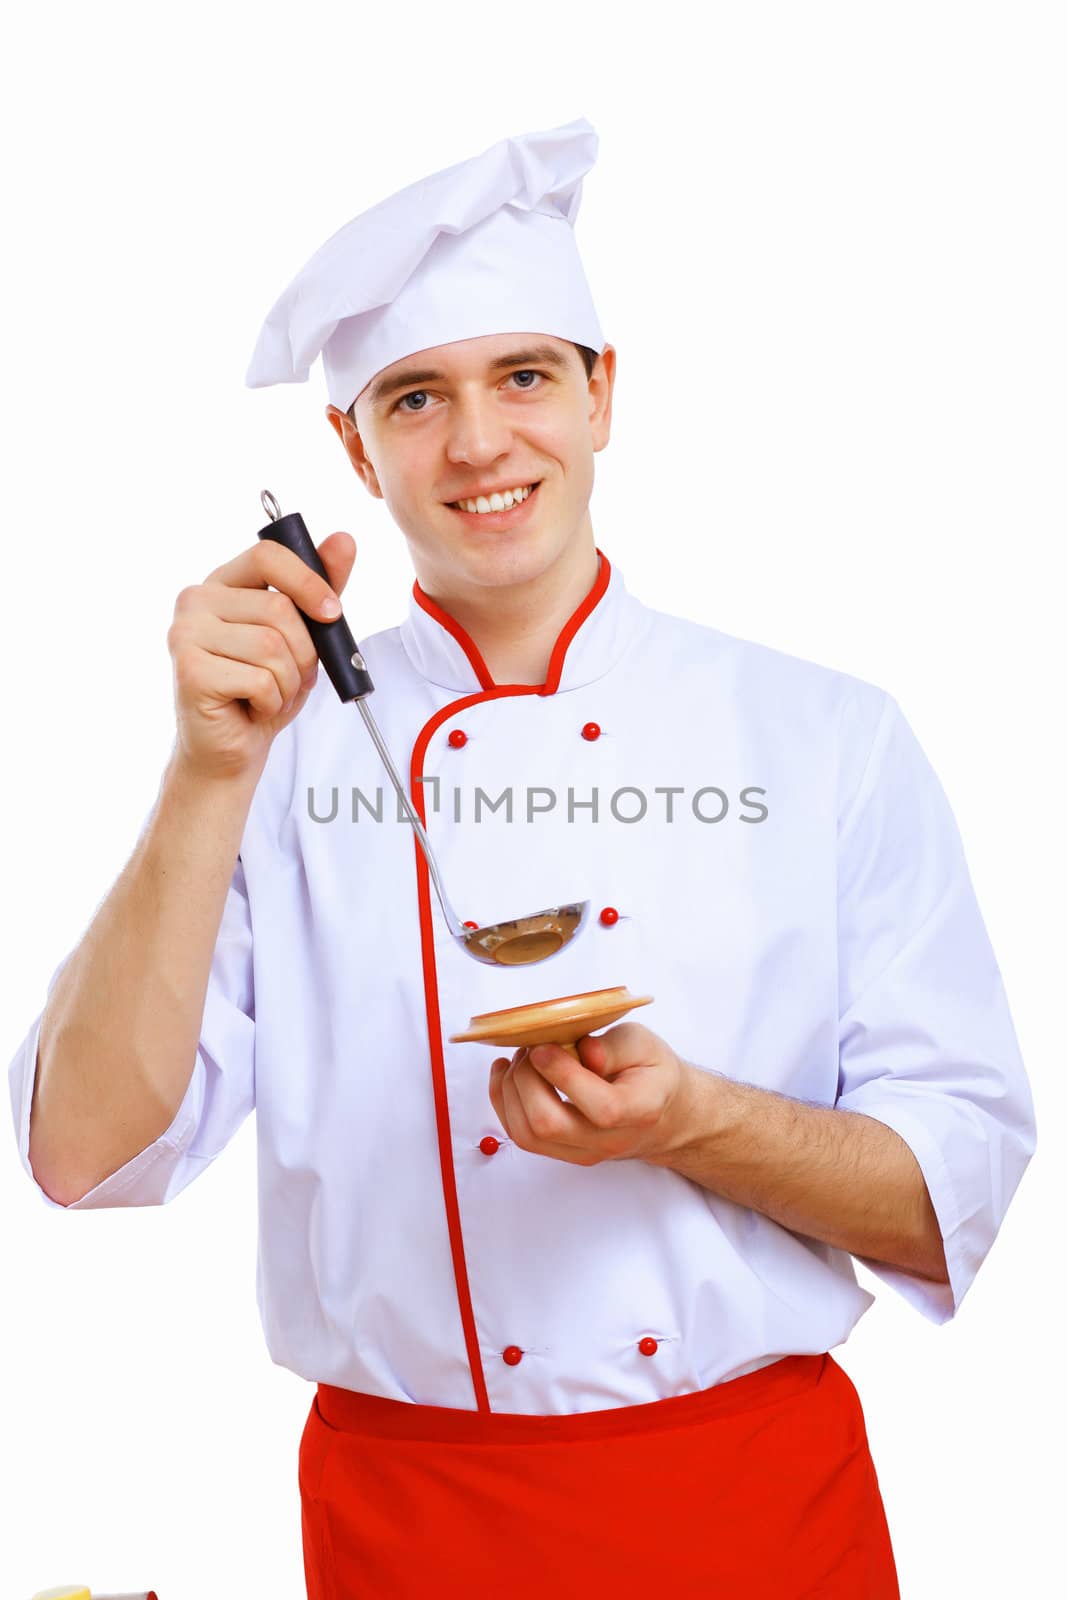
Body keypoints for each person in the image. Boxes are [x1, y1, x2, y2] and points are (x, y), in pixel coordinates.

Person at [9, 118, 1037, 1598]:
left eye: (527, 377)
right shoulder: (269, 757)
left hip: (754, 1508)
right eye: (416, 397)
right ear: (350, 450)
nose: (480, 444)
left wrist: (691, 1121)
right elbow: (78, 1153)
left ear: (607, 395)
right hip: (403, 1521)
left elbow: (955, 1193)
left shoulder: (826, 739)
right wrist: (204, 774)